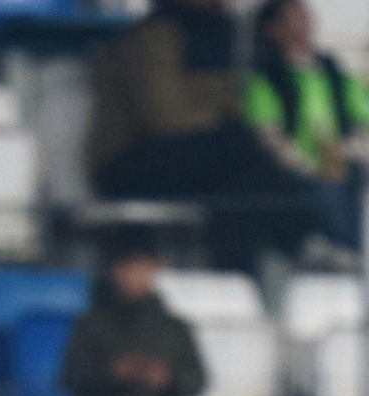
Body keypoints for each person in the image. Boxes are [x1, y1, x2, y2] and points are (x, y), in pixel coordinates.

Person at [88, 0, 329, 272]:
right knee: (239, 152)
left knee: (260, 161)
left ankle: (276, 255)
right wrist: (221, 112)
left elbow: (240, 104)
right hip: (126, 162)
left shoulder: (226, 37)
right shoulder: (157, 35)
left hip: (187, 154)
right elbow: (164, 118)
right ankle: (255, 260)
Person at [61, 231, 205, 396]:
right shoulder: (91, 325)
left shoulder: (174, 329)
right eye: (124, 266)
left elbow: (196, 380)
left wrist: (165, 380)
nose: (131, 274)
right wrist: (111, 375)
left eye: (139, 265)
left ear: (155, 268)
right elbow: (71, 378)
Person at [246, 0, 369, 254]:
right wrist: (311, 167)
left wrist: (348, 151)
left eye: (305, 14)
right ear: (274, 28)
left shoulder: (335, 74)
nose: (304, 21)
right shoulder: (266, 80)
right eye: (294, 15)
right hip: (296, 177)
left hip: (345, 166)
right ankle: (349, 252)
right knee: (327, 189)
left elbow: (363, 120)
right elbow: (269, 137)